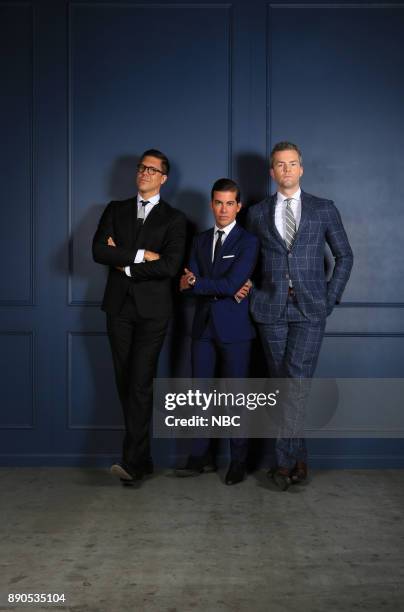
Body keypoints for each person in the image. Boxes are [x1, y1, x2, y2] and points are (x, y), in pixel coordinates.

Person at [246, 142, 353, 490]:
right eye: (280, 165)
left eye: (292, 164)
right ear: (272, 171)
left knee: (295, 383)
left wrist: (329, 297)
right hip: (271, 310)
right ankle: (299, 457)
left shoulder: (324, 209)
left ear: (301, 169)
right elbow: (248, 260)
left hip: (310, 310)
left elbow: (344, 256)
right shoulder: (258, 213)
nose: (287, 170)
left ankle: (284, 462)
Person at [92, 149, 186, 485]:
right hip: (118, 309)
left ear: (163, 178)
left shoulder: (174, 219)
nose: (144, 173)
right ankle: (142, 459)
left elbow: (170, 266)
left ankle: (132, 463)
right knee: (125, 382)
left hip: (153, 313)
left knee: (140, 383)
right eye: (141, 167)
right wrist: (141, 255)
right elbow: (99, 251)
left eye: (152, 169)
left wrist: (124, 262)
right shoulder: (115, 210)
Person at [176, 178, 259, 485]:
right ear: (212, 204)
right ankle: (200, 456)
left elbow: (231, 284)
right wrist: (196, 285)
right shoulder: (199, 240)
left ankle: (238, 460)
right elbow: (187, 284)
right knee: (200, 395)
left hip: (235, 330)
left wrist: (199, 284)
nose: (223, 209)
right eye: (218, 203)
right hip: (202, 329)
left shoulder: (248, 242)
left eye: (229, 203)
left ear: (238, 207)